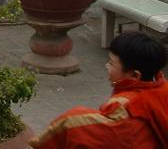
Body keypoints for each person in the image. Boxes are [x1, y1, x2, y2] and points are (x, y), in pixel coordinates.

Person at [29, 31, 168, 148]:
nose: (107, 67)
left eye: (112, 63)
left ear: (135, 75)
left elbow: (73, 126)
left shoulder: (124, 107)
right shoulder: (163, 89)